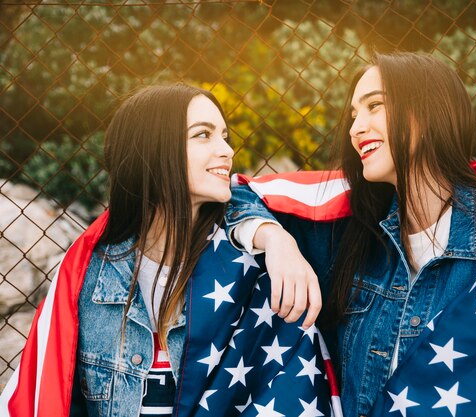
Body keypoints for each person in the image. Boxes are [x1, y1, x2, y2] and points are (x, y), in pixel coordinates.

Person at [225, 52, 476, 416]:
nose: (356, 128)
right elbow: (233, 194)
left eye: (375, 106)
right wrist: (276, 240)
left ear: (427, 112)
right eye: (354, 115)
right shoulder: (348, 231)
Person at [0, 85, 339, 417]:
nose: (226, 150)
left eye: (224, 135)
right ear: (155, 150)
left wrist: (278, 238)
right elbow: (50, 397)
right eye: (203, 135)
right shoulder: (87, 277)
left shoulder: (251, 265)